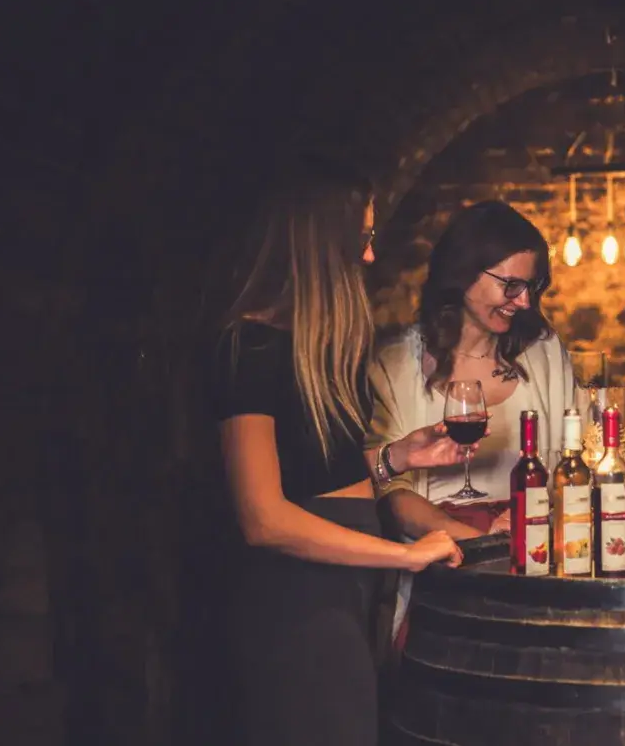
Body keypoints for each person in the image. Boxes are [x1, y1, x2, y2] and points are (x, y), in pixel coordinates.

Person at [210, 171, 467, 746]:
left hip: (345, 590)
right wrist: (403, 556)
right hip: (299, 602)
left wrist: (397, 457)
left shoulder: (318, 349)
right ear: (320, 244)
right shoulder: (247, 348)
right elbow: (263, 519)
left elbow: (318, 475)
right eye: (363, 237)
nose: (370, 256)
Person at [368, 200, 577, 641]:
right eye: (511, 285)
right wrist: (479, 545)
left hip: (533, 558)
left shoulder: (542, 351)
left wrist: (529, 521)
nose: (524, 301)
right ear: (463, 273)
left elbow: (572, 461)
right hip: (442, 565)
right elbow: (391, 493)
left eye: (532, 287)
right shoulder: (396, 364)